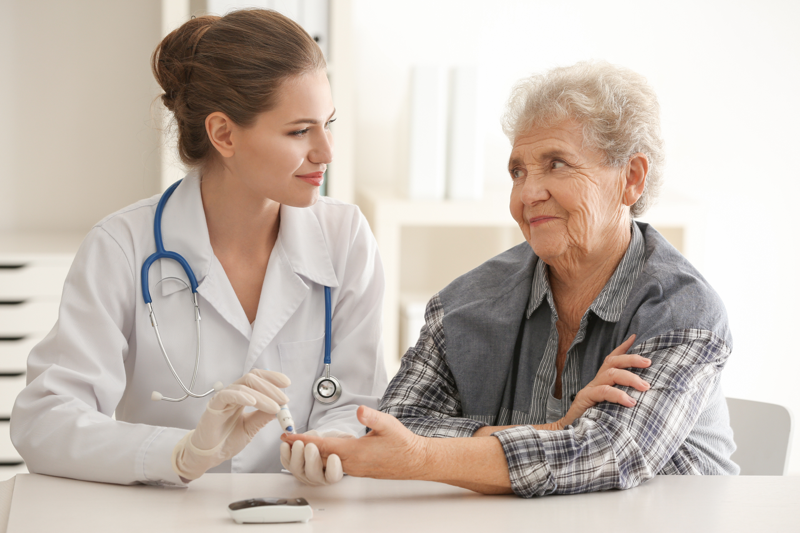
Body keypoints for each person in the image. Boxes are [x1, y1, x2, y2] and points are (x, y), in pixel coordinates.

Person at [283, 60, 738, 497]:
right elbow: (399, 424)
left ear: (631, 179)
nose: (527, 194)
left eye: (556, 163)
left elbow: (610, 452)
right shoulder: (465, 304)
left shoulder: (680, 309)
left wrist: (427, 455)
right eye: (518, 172)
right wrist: (555, 431)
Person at [11, 9, 387, 487]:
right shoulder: (122, 246)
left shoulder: (346, 237)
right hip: (163, 514)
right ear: (224, 134)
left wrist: (329, 443)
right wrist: (179, 454)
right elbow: (45, 423)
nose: (326, 151)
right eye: (299, 131)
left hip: (302, 512)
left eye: (328, 123)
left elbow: (359, 403)